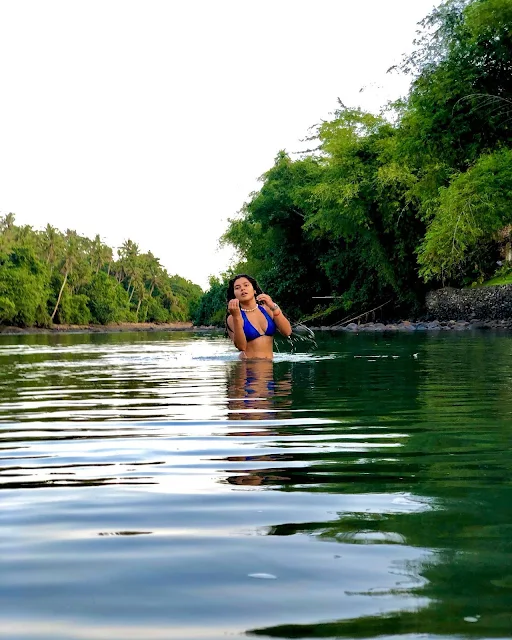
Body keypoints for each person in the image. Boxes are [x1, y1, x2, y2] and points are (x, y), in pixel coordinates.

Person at [226, 274, 292, 359]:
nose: (242, 289)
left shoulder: (268, 309)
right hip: (247, 367)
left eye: (246, 285)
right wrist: (237, 318)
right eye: (237, 288)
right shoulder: (233, 317)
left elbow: (287, 332)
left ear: (254, 290)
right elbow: (241, 347)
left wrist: (273, 307)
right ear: (234, 295)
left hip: (268, 367)